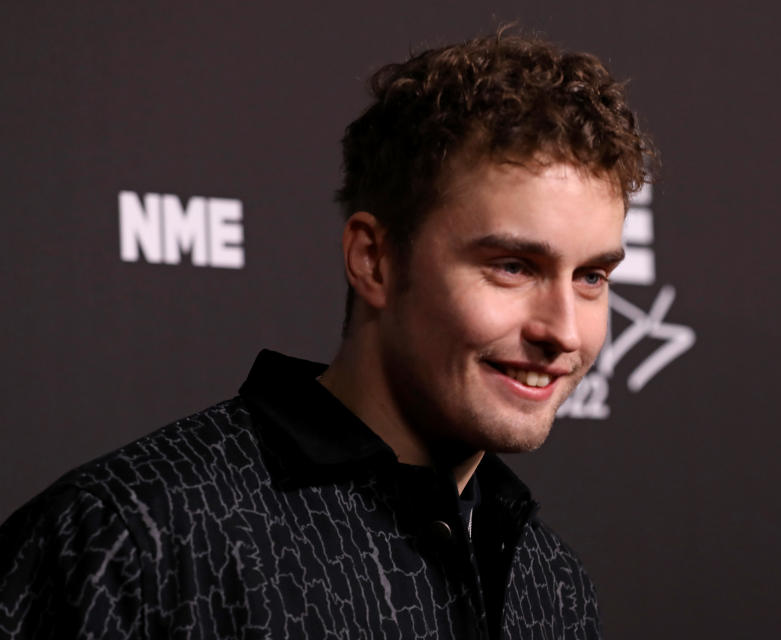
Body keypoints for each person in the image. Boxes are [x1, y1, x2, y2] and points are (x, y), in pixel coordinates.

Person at [0, 30, 656, 639]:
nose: (563, 332)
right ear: (374, 260)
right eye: (513, 267)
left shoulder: (553, 588)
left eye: (592, 277)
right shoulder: (130, 537)